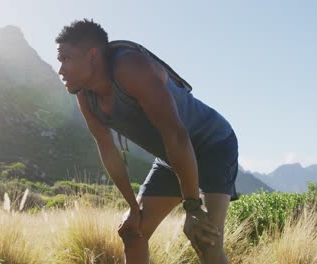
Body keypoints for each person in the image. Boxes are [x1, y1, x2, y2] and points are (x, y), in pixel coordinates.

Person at [55, 19, 238, 264]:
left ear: (92, 55)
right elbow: (108, 151)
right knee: (133, 232)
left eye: (66, 59)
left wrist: (193, 208)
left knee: (206, 240)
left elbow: (176, 134)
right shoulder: (86, 96)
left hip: (212, 144)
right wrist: (133, 207)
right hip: (171, 155)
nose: (60, 70)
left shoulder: (131, 68)